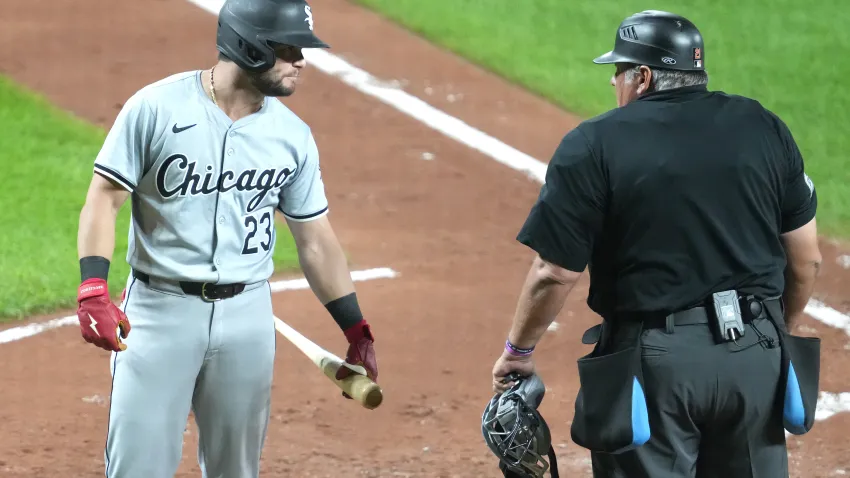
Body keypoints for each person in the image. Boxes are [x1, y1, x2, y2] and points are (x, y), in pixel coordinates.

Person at [490, 9, 822, 478]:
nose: (614, 83)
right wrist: (773, 333)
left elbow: (554, 271)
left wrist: (518, 353)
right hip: (756, 354)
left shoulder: (593, 143)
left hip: (656, 365)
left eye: (619, 72)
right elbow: (806, 260)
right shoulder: (764, 126)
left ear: (642, 77)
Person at [73, 0, 378, 476]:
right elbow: (104, 197)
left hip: (248, 320)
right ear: (246, 44)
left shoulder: (292, 136)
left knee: (237, 470)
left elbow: (314, 238)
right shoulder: (155, 108)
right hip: (157, 316)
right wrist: (93, 287)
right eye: (287, 48)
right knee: (139, 467)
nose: (300, 60)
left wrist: (356, 329)